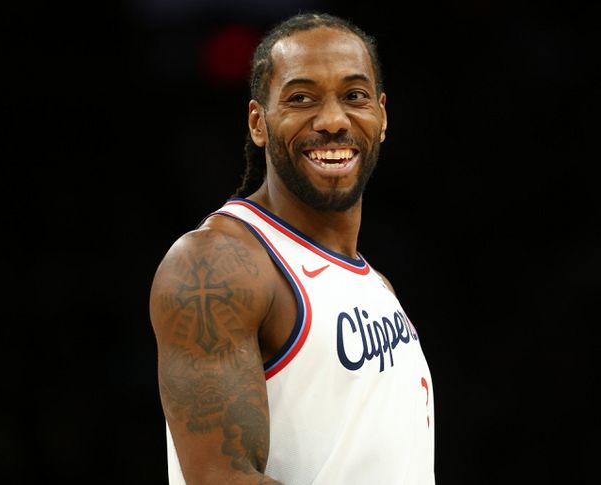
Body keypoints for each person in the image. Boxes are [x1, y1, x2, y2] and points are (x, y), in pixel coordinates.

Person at [149, 11, 435, 485]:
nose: (333, 120)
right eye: (301, 98)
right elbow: (220, 479)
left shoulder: (377, 286)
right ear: (258, 123)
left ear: (382, 117)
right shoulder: (216, 264)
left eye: (354, 96)